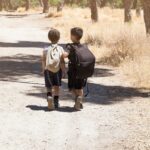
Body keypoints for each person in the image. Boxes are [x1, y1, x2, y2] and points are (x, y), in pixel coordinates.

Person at [42, 28, 65, 110]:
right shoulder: (61, 49)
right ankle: (56, 102)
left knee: (49, 86)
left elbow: (43, 60)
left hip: (48, 70)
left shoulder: (45, 49)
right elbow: (62, 61)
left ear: (49, 38)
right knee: (56, 86)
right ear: (59, 38)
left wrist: (43, 69)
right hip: (57, 70)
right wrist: (64, 71)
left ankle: (49, 97)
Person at [65, 27, 87, 111]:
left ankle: (77, 98)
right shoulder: (84, 46)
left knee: (72, 87)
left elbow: (65, 55)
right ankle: (80, 99)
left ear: (73, 36)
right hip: (81, 71)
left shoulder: (71, 47)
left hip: (72, 71)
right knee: (80, 87)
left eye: (71, 35)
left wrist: (62, 54)